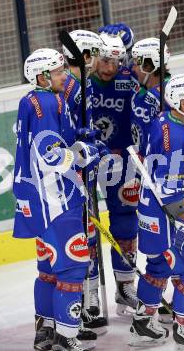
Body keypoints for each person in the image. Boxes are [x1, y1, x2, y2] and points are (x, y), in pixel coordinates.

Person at [13, 48, 102, 351]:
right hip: (56, 198)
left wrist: (77, 132)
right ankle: (67, 336)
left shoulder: (31, 100)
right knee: (72, 266)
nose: (65, 75)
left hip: (34, 201)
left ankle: (46, 331)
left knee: (48, 268)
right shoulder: (49, 102)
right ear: (41, 77)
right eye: (58, 71)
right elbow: (52, 155)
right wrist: (87, 152)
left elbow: (49, 138)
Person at [129, 74, 184, 349]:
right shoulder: (177, 136)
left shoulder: (166, 121)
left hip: (150, 211)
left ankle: (143, 323)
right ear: (183, 102)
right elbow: (170, 186)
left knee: (158, 266)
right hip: (167, 214)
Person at [62, 30, 110, 333]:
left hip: (83, 171)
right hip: (72, 176)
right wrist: (82, 145)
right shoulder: (69, 88)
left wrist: (90, 140)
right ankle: (77, 307)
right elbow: (65, 135)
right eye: (94, 53)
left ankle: (87, 304)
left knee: (89, 237)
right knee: (80, 239)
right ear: (86, 55)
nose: (98, 60)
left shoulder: (81, 85)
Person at [90, 32, 141, 317]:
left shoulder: (127, 79)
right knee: (84, 226)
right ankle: (89, 292)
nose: (110, 68)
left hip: (121, 160)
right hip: (85, 161)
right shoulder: (80, 83)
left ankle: (125, 286)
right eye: (104, 61)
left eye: (116, 61)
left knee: (124, 222)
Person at [129, 37, 170, 156]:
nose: (133, 68)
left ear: (147, 67)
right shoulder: (141, 88)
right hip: (141, 165)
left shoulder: (170, 93)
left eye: (136, 64)